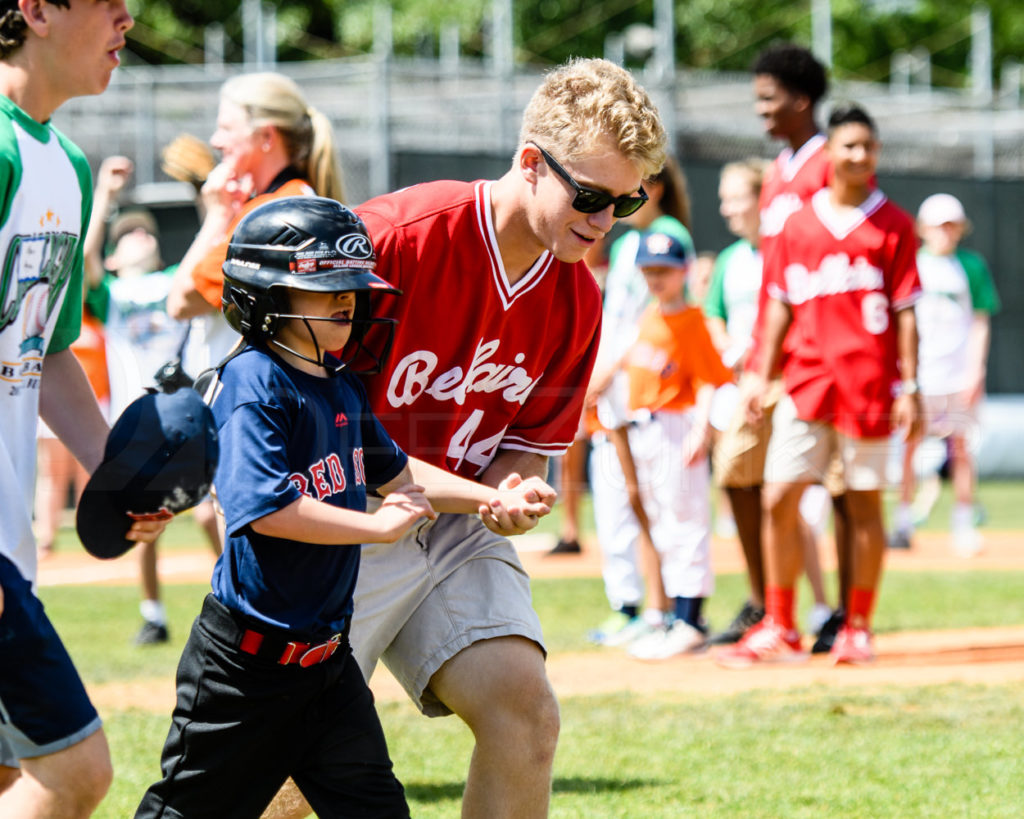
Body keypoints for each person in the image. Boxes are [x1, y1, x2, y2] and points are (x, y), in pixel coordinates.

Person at [266, 57, 667, 819]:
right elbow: (305, 418)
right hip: (339, 523)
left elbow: (526, 438)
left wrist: (512, 486)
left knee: (526, 712)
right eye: (589, 195)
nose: (605, 218)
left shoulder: (578, 294)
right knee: (289, 771)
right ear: (529, 163)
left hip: (451, 526)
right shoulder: (393, 239)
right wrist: (479, 492)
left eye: (627, 200)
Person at [135, 196, 552, 819]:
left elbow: (399, 474)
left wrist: (493, 494)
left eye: (354, 289)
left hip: (327, 667)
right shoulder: (252, 384)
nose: (348, 302)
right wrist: (376, 529)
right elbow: (264, 508)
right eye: (328, 288)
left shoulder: (338, 383)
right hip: (245, 671)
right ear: (266, 298)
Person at [0, 1, 164, 816]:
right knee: (74, 771)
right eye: (106, 2)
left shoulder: (61, 161)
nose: (126, 18)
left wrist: (117, 473)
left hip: (11, 541)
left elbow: (47, 348)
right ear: (34, 9)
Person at [718, 103, 922, 668]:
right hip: (806, 381)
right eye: (850, 145)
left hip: (871, 385)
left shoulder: (894, 224)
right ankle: (780, 625)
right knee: (780, 493)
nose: (860, 155)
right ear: (829, 151)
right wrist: (761, 372)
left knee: (861, 504)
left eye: (869, 147)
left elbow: (906, 311)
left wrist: (910, 385)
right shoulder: (794, 225)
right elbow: (778, 306)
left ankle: (858, 626)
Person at [709, 43, 854, 650]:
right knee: (740, 474)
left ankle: (846, 616)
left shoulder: (832, 163)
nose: (761, 111)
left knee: (844, 490)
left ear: (801, 98)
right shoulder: (776, 174)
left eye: (769, 99)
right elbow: (775, 277)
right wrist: (757, 361)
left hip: (827, 355)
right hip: (773, 359)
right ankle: (767, 603)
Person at [704, 158, 833, 641]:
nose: (728, 207)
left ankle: (820, 608)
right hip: (746, 387)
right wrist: (731, 349)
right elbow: (713, 314)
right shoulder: (730, 261)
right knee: (740, 480)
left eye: (737, 196)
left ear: (764, 199)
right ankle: (765, 603)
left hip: (786, 381)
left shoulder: (788, 249)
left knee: (786, 495)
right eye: (725, 197)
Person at [82, 156, 201, 644]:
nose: (140, 236)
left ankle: (237, 599)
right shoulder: (109, 291)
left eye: (145, 232)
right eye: (127, 235)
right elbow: (84, 262)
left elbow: (209, 248)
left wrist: (200, 192)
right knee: (145, 518)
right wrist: (105, 197)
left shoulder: (174, 280)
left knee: (215, 513)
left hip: (189, 415)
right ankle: (153, 614)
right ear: (112, 257)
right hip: (138, 420)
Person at [584, 156, 695, 647]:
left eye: (640, 181)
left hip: (642, 382)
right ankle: (629, 605)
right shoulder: (626, 241)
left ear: (658, 184)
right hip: (612, 380)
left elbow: (658, 316)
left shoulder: (669, 232)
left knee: (651, 500)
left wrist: (606, 372)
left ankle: (667, 609)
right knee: (614, 494)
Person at [617, 231, 733, 660]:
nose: (655, 278)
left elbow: (710, 381)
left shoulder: (693, 320)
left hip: (676, 426)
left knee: (685, 525)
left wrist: (701, 431)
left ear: (684, 271)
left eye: (663, 270)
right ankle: (674, 618)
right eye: (648, 270)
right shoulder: (650, 315)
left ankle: (690, 621)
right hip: (645, 426)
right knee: (664, 527)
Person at [890, 193, 1000, 556]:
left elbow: (981, 321)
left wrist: (976, 371)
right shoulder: (910, 264)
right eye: (938, 225)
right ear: (923, 229)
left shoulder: (971, 266)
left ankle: (963, 524)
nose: (945, 232)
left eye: (952, 225)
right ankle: (902, 522)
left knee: (962, 450)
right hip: (920, 378)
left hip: (957, 377)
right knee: (908, 448)